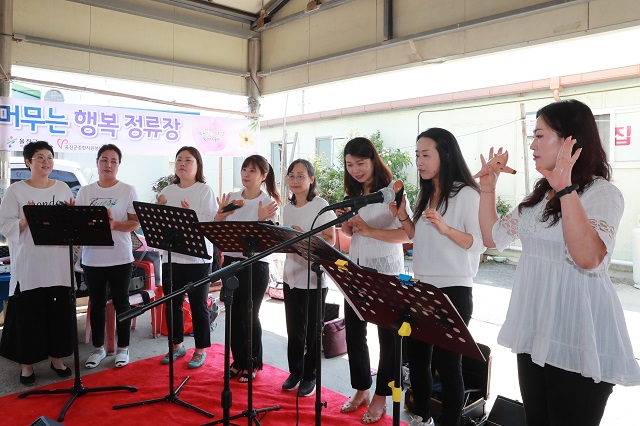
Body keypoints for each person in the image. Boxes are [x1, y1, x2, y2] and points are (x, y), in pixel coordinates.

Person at [478, 99, 640, 425]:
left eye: (540, 136)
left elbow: (589, 258)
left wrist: (566, 190)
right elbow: (493, 239)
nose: (532, 145)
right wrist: (487, 190)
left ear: (570, 141)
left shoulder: (601, 194)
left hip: (579, 337)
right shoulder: (538, 197)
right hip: (536, 333)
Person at [396, 128, 484, 426]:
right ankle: (421, 416)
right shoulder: (426, 192)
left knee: (449, 365)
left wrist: (446, 228)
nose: (419, 161)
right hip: (422, 285)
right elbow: (418, 238)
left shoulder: (467, 193)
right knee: (418, 359)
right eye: (417, 155)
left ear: (445, 155)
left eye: (425, 154)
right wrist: (404, 217)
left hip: (453, 289)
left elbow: (479, 242)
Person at [337, 137, 411, 424]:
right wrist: (346, 222)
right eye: (349, 164)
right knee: (355, 333)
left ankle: (381, 395)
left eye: (361, 163)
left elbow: (407, 235)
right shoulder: (353, 192)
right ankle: (362, 390)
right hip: (356, 269)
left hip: (386, 271)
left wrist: (367, 230)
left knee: (387, 340)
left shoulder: (393, 190)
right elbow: (350, 235)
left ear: (373, 160)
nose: (355, 170)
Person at [0, 141, 75, 385]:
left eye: (50, 157)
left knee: (58, 314)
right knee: (28, 315)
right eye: (40, 157)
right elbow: (4, 225)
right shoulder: (15, 191)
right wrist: (23, 221)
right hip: (29, 266)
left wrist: (73, 216)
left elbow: (69, 224)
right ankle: (27, 365)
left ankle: (57, 359)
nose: (46, 161)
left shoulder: (64, 188)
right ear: (28, 162)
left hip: (58, 264)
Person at [214, 154, 280, 382]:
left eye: (252, 171)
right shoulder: (232, 197)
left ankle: (252, 363)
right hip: (231, 263)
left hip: (256, 265)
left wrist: (261, 220)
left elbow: (269, 242)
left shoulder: (269, 202)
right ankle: (238, 361)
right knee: (232, 315)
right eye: (244, 169)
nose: (246, 174)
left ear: (263, 176)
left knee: (249, 315)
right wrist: (220, 214)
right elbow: (216, 228)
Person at [76, 144, 139, 369]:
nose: (108, 165)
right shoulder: (86, 191)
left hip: (120, 256)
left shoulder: (127, 189)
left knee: (122, 303)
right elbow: (79, 223)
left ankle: (123, 348)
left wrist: (114, 224)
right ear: (97, 162)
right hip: (92, 258)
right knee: (97, 303)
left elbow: (135, 222)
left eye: (113, 161)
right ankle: (98, 348)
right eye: (104, 160)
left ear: (119, 165)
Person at [157, 146, 218, 369]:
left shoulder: (204, 190)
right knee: (172, 304)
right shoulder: (167, 191)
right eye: (179, 159)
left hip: (198, 259)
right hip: (171, 257)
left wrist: (190, 213)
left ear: (198, 165)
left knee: (198, 305)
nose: (182, 163)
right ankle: (176, 346)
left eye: (188, 160)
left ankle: (200, 350)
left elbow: (211, 222)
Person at [281, 159, 336, 397]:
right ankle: (295, 371)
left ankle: (310, 375)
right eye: (291, 176)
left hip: (314, 277)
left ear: (312, 179)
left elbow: (331, 240)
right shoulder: (287, 207)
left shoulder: (321, 205)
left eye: (300, 176)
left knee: (313, 331)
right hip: (291, 274)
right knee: (294, 330)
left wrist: (304, 237)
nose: (295, 180)